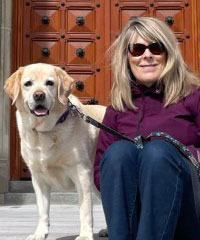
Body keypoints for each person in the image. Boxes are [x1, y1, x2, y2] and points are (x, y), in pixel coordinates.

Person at [94, 17, 200, 240]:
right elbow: (100, 173)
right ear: (127, 58)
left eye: (156, 47)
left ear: (168, 53)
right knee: (118, 153)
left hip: (187, 206)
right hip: (135, 214)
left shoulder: (193, 96)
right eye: (137, 49)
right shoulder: (118, 108)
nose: (147, 55)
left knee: (157, 152)